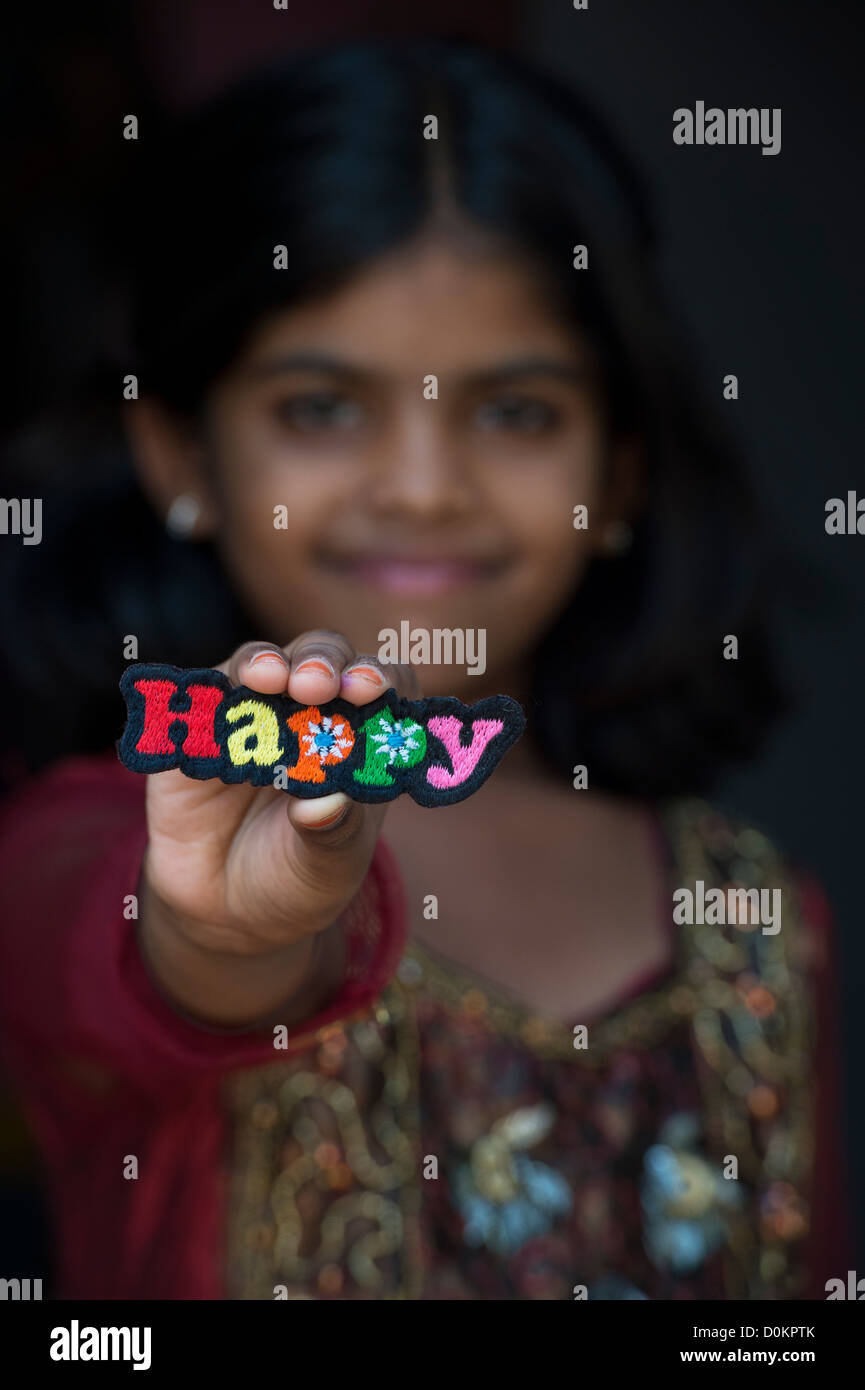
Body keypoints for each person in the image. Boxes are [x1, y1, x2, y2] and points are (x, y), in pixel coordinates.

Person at [0, 37, 848, 1300]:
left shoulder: (759, 922)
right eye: (321, 408)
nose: (422, 488)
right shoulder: (80, 845)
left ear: (617, 474)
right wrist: (232, 939)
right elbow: (140, 958)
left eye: (514, 413)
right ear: (181, 456)